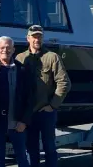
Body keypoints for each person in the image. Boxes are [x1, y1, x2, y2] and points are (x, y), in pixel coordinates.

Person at [15, 25, 71, 167]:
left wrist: (53, 105)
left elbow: (64, 83)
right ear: (28, 38)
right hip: (27, 113)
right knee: (30, 149)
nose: (37, 39)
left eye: (39, 36)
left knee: (50, 148)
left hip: (45, 112)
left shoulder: (52, 57)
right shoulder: (20, 58)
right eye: (34, 36)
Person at [0, 36, 34, 167]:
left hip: (17, 123)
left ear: (13, 50)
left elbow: (29, 97)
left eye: (8, 48)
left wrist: (24, 121)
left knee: (22, 159)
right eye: (1, 48)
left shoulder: (22, 70)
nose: (4, 50)